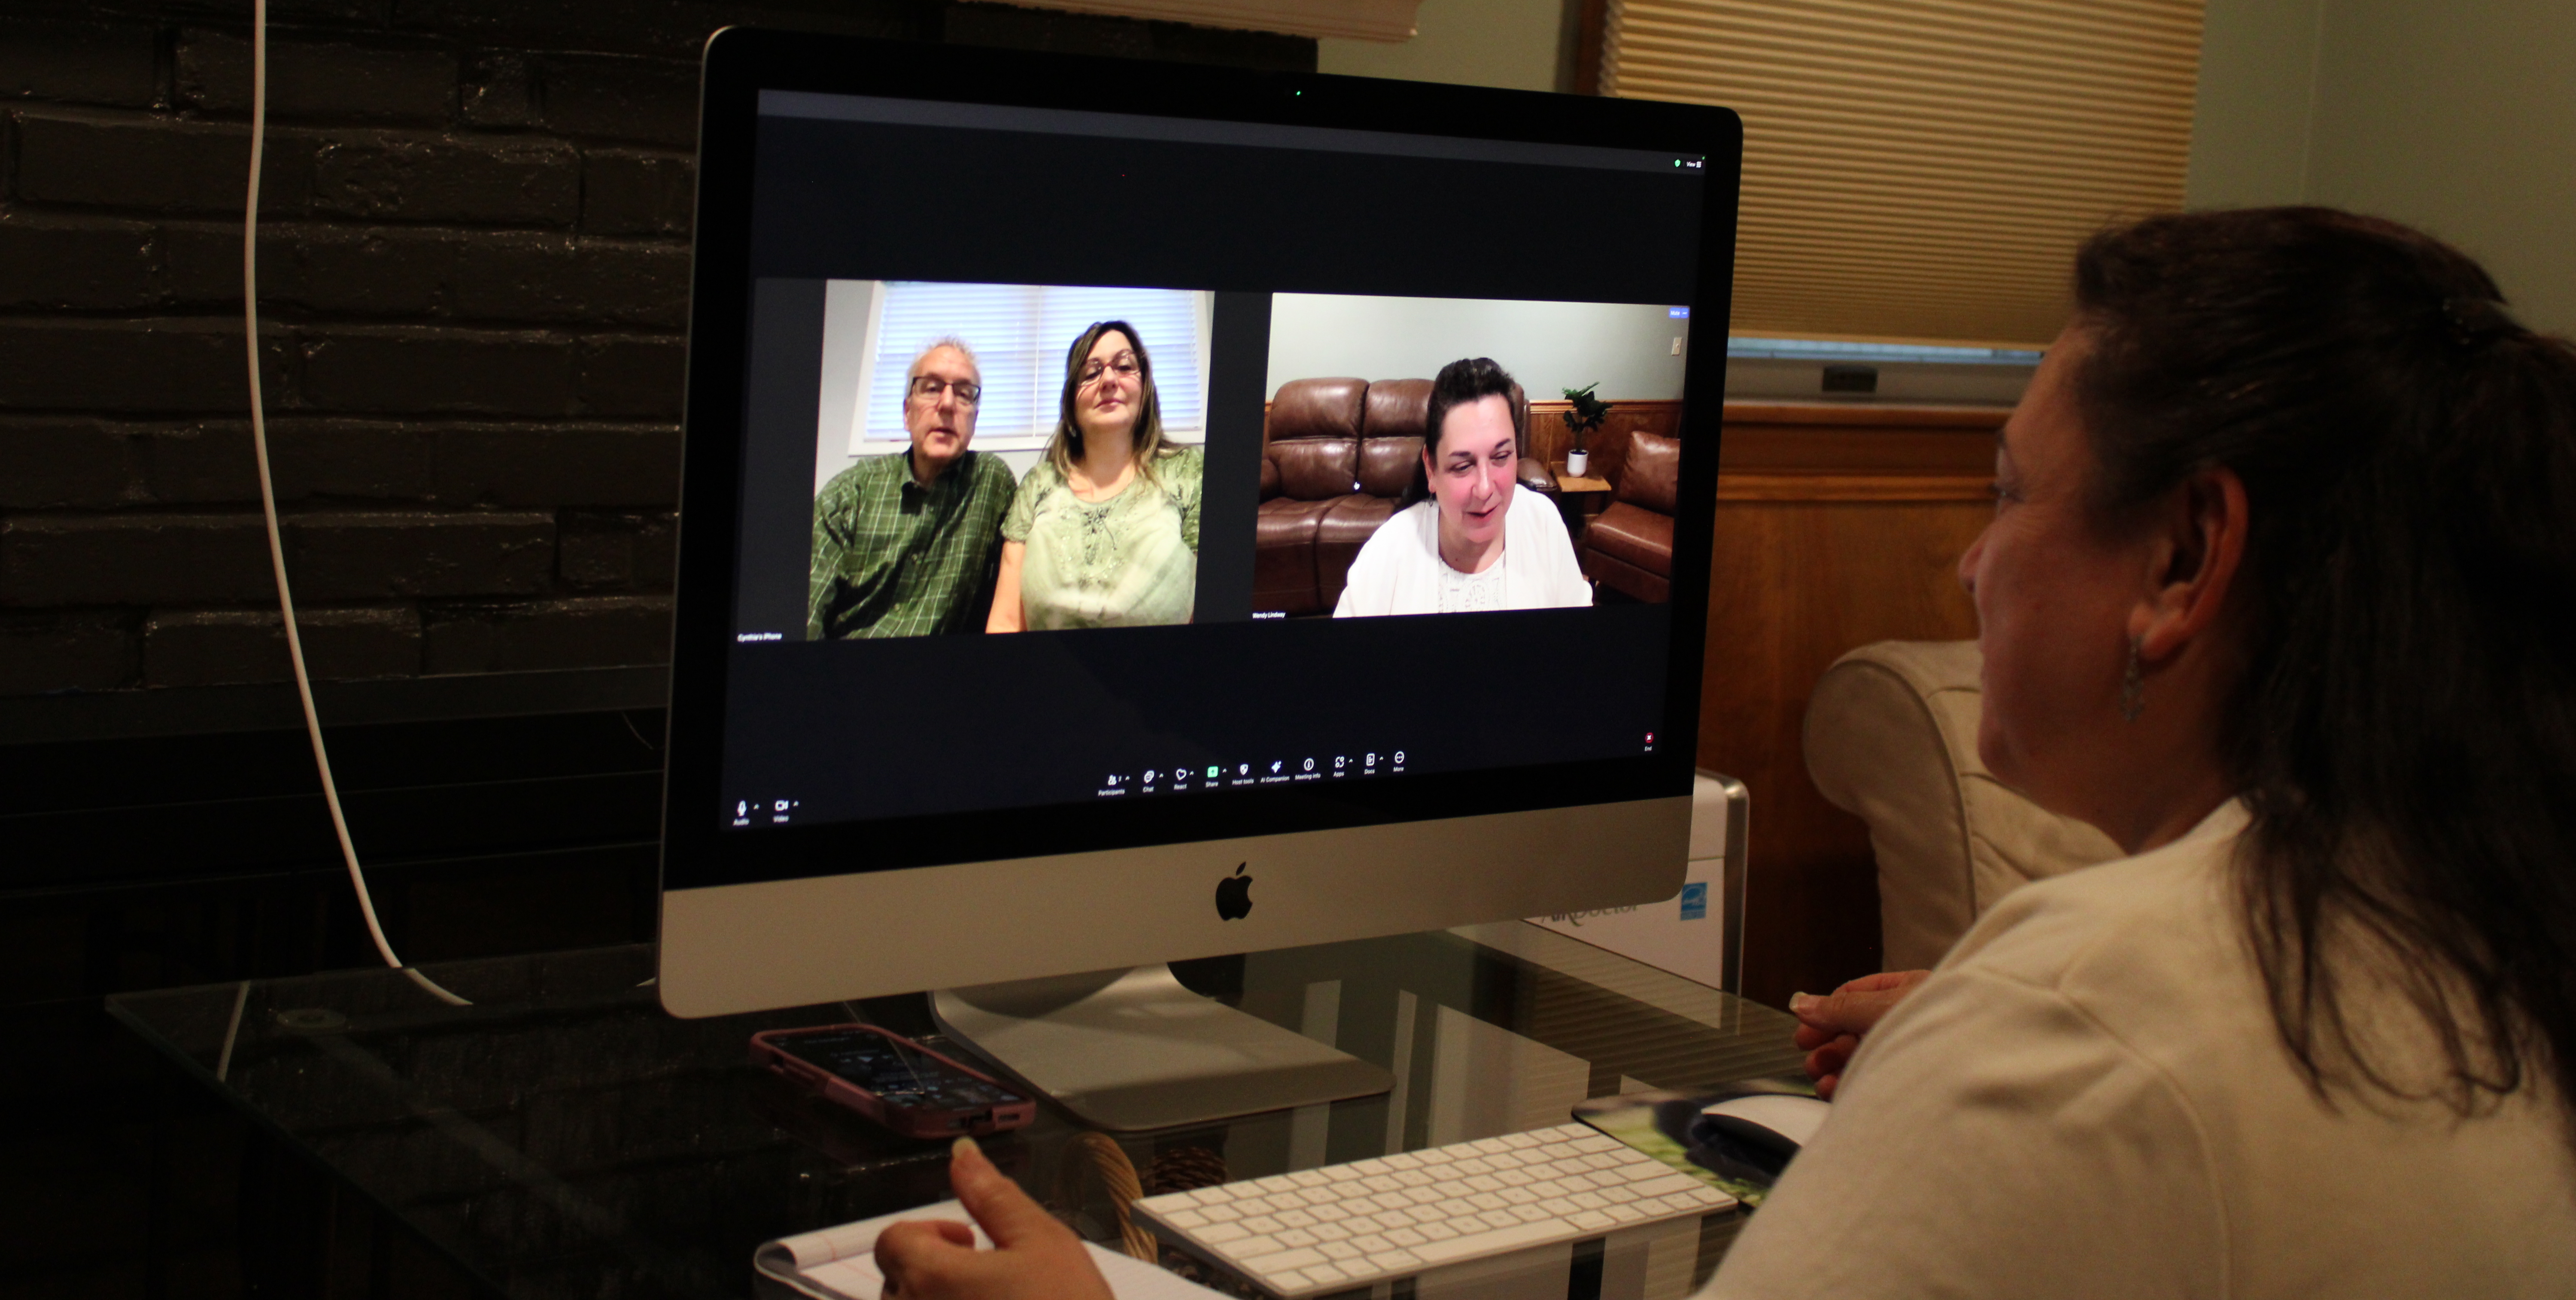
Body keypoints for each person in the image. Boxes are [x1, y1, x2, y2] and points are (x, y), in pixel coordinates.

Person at [875, 209, 2576, 1300]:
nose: (1969, 565)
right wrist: (1994, 1043)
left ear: (2188, 562)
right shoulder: (2478, 920)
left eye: (2006, 493)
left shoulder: (2100, 1020)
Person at [987, 320, 1203, 632]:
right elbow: (1006, 621)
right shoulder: (1038, 485)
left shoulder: (1188, 472)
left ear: (1146, 390)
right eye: (1091, 373)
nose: (1109, 380)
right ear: (1071, 405)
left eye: (1125, 366)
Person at [1335, 357, 1592, 616]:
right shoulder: (1388, 552)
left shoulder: (1543, 525)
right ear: (1431, 469)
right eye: (1462, 467)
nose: (1485, 489)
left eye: (1501, 457)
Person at [808, 338, 1018, 640]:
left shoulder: (991, 484)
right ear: (907, 413)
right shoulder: (851, 491)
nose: (947, 404)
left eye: (963, 394)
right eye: (931, 388)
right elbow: (807, 607)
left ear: (975, 420)